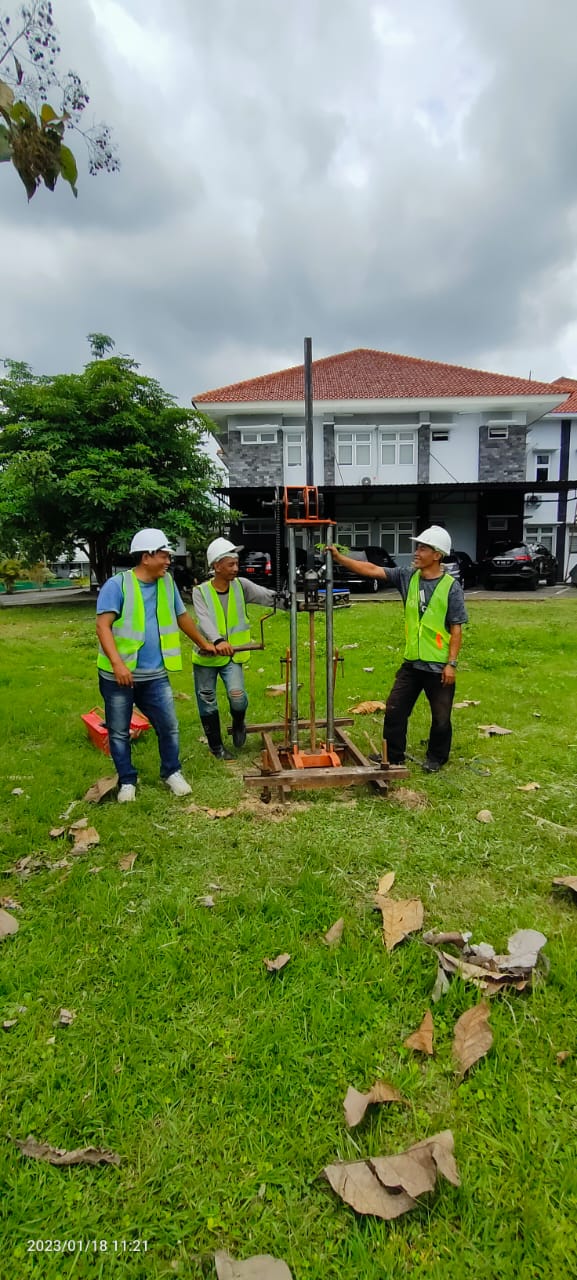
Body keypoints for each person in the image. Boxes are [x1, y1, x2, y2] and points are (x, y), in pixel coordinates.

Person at [328, 525, 468, 772]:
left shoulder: (450, 587)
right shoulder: (408, 576)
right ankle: (393, 756)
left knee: (441, 716)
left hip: (439, 665)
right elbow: (372, 569)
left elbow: (456, 628)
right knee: (395, 709)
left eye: (423, 548)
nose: (417, 551)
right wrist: (340, 558)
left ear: (437, 555)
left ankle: (436, 758)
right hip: (412, 663)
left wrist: (451, 663)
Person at [96, 528, 216, 802]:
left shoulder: (166, 583)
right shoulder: (118, 585)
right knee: (118, 731)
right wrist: (118, 665)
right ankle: (127, 780)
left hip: (155, 675)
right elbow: (103, 627)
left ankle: (171, 772)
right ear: (147, 556)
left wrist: (203, 643)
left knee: (169, 725)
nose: (168, 560)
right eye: (164, 555)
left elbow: (181, 617)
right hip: (119, 675)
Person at [192, 538, 276, 759]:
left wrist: (290, 601)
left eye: (236, 564)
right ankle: (216, 747)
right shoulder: (200, 592)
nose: (236, 569)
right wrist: (218, 641)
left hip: (233, 656)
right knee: (207, 700)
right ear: (216, 566)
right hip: (206, 657)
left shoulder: (241, 586)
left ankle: (239, 722)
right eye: (231, 565)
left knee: (237, 697)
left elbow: (266, 596)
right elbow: (203, 620)